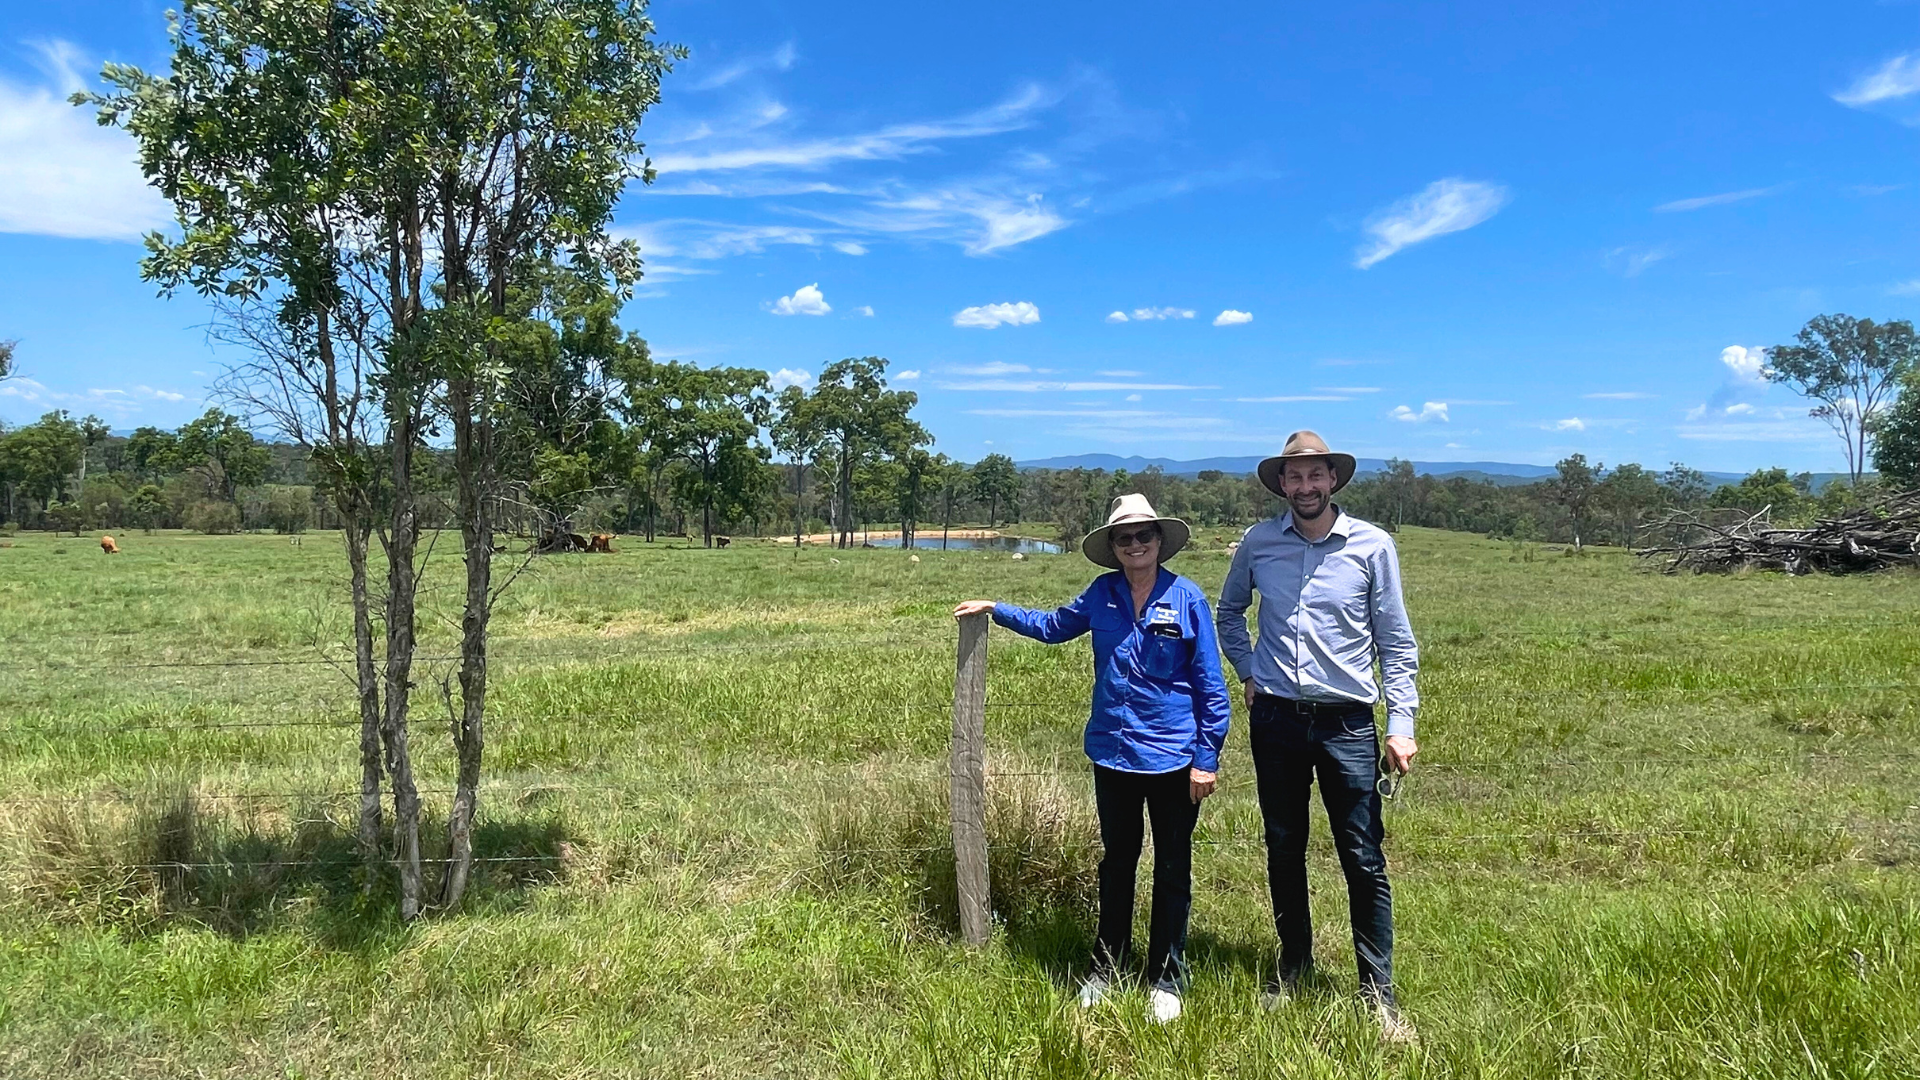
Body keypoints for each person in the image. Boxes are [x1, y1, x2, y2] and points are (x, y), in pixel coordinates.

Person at [953, 494, 1231, 1025]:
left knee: (1173, 867)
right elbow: (1055, 625)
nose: (1135, 545)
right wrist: (997, 609)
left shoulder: (1188, 597)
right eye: (1124, 538)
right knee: (1116, 863)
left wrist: (1206, 757)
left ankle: (1167, 977)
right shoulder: (1101, 594)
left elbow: (1210, 686)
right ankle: (1106, 968)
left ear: (1159, 540)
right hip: (1113, 754)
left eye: (1143, 535)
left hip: (1174, 758)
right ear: (1113, 547)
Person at [1215, 430, 1421, 1045]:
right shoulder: (1259, 543)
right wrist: (1249, 671)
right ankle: (1294, 966)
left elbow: (1396, 640)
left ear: (1333, 480)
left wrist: (1401, 724)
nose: (1304, 487)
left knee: (1362, 856)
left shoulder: (1371, 546)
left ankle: (1377, 994)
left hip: (1347, 724)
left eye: (1315, 475)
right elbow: (1229, 612)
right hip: (1276, 719)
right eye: (1293, 477)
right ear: (1281, 484)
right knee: (1283, 846)